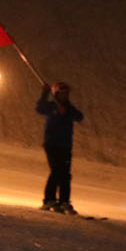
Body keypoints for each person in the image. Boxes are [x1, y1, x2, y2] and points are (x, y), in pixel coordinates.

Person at [37, 81, 85, 214]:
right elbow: (40, 108)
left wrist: (67, 112)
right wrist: (45, 93)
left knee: (65, 174)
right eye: (62, 93)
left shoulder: (69, 108)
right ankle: (49, 200)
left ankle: (64, 201)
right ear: (57, 94)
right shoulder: (51, 106)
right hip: (52, 144)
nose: (65, 96)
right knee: (57, 171)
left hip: (65, 145)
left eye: (67, 93)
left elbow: (80, 117)